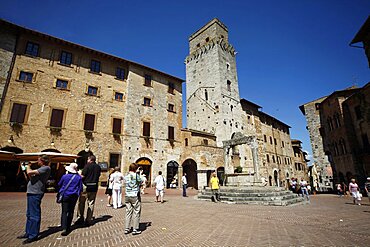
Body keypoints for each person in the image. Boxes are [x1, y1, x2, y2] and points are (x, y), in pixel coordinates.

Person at [17, 155, 51, 244]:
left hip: (36, 193)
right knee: (29, 214)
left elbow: (29, 173)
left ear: (43, 161)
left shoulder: (46, 168)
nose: (37, 161)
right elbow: (30, 176)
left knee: (34, 214)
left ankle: (33, 235)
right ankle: (28, 232)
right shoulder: (41, 169)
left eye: (38, 160)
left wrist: (28, 166)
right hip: (31, 192)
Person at [75, 155, 101, 226]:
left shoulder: (87, 166)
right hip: (94, 186)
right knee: (91, 203)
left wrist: (78, 174)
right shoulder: (98, 167)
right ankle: (88, 219)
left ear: (89, 159)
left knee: (81, 202)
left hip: (86, 186)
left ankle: (80, 217)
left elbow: (83, 176)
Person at [58, 163, 82, 236]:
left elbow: (59, 184)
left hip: (65, 195)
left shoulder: (64, 176)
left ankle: (64, 227)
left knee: (64, 211)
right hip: (74, 195)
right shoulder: (78, 178)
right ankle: (68, 226)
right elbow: (80, 188)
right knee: (71, 211)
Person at [124, 163, 142, 235]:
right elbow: (140, 182)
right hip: (135, 195)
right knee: (136, 212)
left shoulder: (127, 176)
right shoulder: (137, 176)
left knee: (128, 212)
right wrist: (139, 173)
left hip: (127, 195)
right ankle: (135, 229)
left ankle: (126, 228)